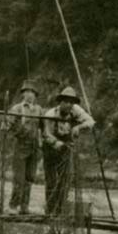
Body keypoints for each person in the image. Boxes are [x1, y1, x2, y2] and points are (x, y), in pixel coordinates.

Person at [42, 86, 95, 215]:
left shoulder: (75, 110)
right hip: (51, 148)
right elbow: (46, 134)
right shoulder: (50, 115)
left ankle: (60, 209)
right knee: (51, 181)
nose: (69, 105)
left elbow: (91, 121)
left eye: (71, 102)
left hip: (66, 149)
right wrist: (58, 144)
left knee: (65, 180)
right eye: (66, 101)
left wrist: (79, 127)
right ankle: (50, 210)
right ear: (60, 102)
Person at [7, 81, 42, 215]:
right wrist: (9, 126)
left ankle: (24, 206)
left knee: (30, 177)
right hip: (21, 146)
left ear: (35, 95)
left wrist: (41, 144)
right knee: (19, 178)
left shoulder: (38, 109)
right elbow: (8, 124)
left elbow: (43, 127)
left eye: (32, 92)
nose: (29, 95)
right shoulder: (17, 108)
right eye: (27, 92)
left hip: (34, 147)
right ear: (23, 94)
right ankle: (13, 206)